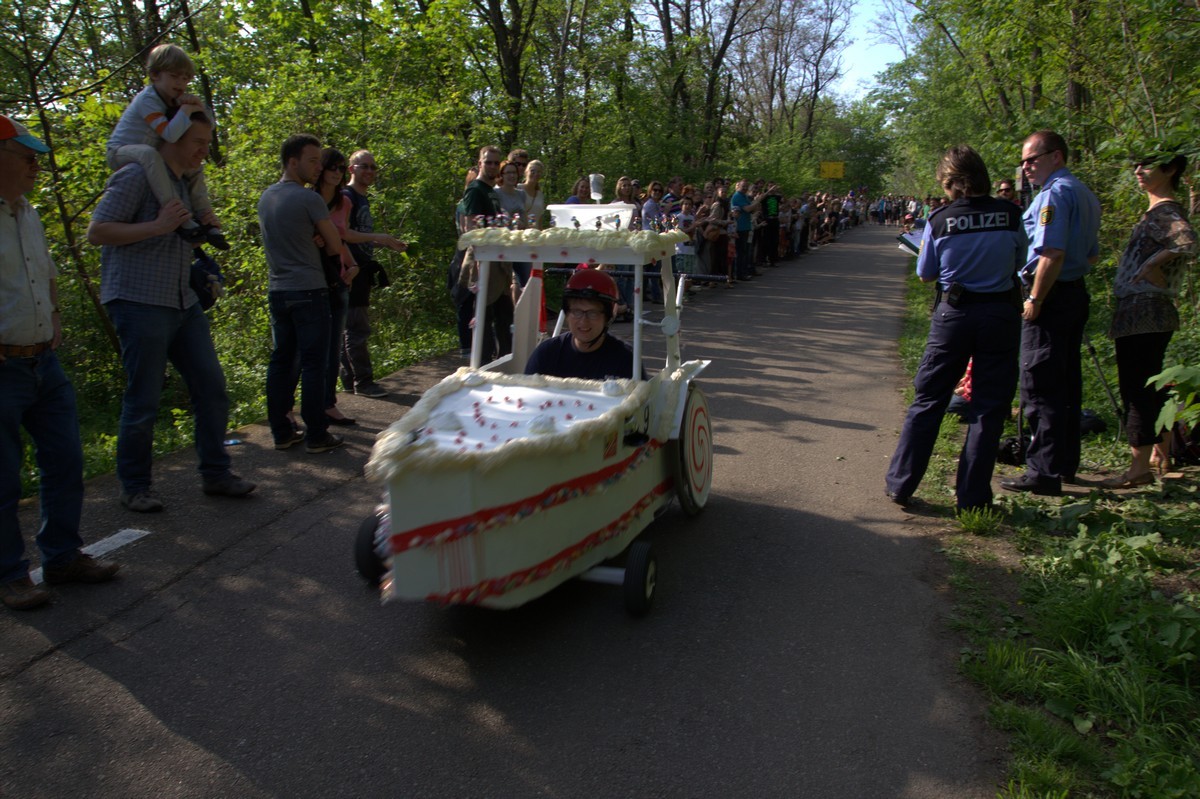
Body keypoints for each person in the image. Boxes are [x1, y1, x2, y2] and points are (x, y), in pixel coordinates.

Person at [88, 111, 256, 511]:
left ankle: (216, 474)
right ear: (172, 137)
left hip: (182, 300)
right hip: (138, 300)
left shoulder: (186, 184)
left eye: (207, 142)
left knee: (212, 389)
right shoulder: (136, 175)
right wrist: (158, 226)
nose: (204, 150)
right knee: (144, 399)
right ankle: (136, 486)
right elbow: (98, 232)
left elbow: (180, 235)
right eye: (198, 141)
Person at [1, 116, 121, 610]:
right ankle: (10, 574)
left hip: (42, 362)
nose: (35, 165)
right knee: (3, 478)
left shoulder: (27, 212)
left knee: (66, 461)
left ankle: (63, 556)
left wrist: (53, 318)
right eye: (25, 156)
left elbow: (44, 271)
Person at [884, 145, 1028, 512]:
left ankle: (901, 485)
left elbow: (925, 273)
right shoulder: (1011, 215)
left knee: (928, 400)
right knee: (989, 407)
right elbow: (1021, 261)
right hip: (999, 314)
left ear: (954, 182)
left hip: (954, 316)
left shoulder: (939, 219)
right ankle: (974, 498)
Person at [1000, 130, 1101, 496]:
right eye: (1023, 161)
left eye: (1032, 159)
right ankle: (1064, 463)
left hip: (1052, 298)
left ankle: (1042, 471)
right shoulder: (1083, 192)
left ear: (1056, 156)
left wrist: (1036, 298)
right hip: (1074, 294)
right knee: (1067, 383)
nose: (1025, 167)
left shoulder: (1054, 195)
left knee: (1040, 382)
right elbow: (1091, 254)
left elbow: (1050, 253)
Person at [1101, 148, 1196, 488]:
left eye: (1148, 166)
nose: (1139, 171)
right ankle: (1161, 454)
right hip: (1141, 309)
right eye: (1136, 165)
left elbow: (1187, 241)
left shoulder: (1166, 212)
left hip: (1146, 308)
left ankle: (1138, 467)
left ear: (1169, 170)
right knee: (1151, 383)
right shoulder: (1156, 211)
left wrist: (1151, 266)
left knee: (1136, 385)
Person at [257, 133, 346, 454]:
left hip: (278, 291)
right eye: (312, 160)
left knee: (281, 362)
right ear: (292, 161)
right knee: (314, 363)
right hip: (309, 290)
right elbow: (335, 246)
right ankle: (317, 434)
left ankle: (281, 432)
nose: (317, 166)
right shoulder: (309, 199)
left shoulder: (266, 198)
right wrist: (319, 237)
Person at [105, 43, 227, 250]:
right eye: (174, 76)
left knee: (195, 167)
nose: (180, 83)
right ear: (154, 75)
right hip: (120, 151)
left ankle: (206, 217)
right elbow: (170, 135)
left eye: (185, 78)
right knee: (149, 154)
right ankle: (177, 214)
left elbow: (207, 126)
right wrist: (186, 110)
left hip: (148, 155)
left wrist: (196, 105)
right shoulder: (148, 99)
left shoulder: (173, 100)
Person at [340, 149, 407, 399]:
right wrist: (377, 237)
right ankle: (363, 382)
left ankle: (349, 380)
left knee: (352, 326)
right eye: (363, 166)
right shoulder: (347, 196)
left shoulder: (362, 198)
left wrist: (385, 243)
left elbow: (360, 236)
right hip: (350, 268)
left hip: (362, 266)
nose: (369, 171)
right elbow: (343, 233)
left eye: (372, 167)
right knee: (356, 328)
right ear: (351, 169)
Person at [311, 147, 360, 428]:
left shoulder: (344, 202)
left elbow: (343, 238)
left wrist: (353, 266)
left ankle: (328, 404)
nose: (336, 172)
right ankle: (292, 409)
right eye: (332, 166)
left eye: (341, 168)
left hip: (339, 278)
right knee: (304, 351)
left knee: (332, 348)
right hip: (310, 281)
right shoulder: (308, 198)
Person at [524, 270, 639, 380]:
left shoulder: (626, 360)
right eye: (577, 312)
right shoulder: (546, 354)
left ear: (608, 317)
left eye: (593, 313)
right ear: (567, 313)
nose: (584, 321)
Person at [456, 145, 512, 361]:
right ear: (479, 163)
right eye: (487, 162)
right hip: (483, 264)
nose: (491, 166)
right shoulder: (475, 190)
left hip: (499, 263)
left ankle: (504, 363)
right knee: (484, 317)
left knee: (504, 317)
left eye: (495, 162)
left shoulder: (491, 191)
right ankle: (482, 365)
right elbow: (472, 230)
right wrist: (479, 268)